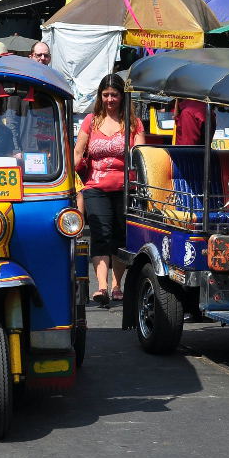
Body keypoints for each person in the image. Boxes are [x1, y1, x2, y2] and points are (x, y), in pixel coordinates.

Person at [73, 74, 144, 307]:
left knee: (120, 235)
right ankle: (102, 287)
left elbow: (142, 155)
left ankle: (117, 286)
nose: (110, 99)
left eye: (114, 95)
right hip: (95, 187)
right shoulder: (90, 121)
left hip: (126, 189)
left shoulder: (133, 123)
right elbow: (78, 152)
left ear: (122, 96)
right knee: (101, 234)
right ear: (100, 96)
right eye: (106, 95)